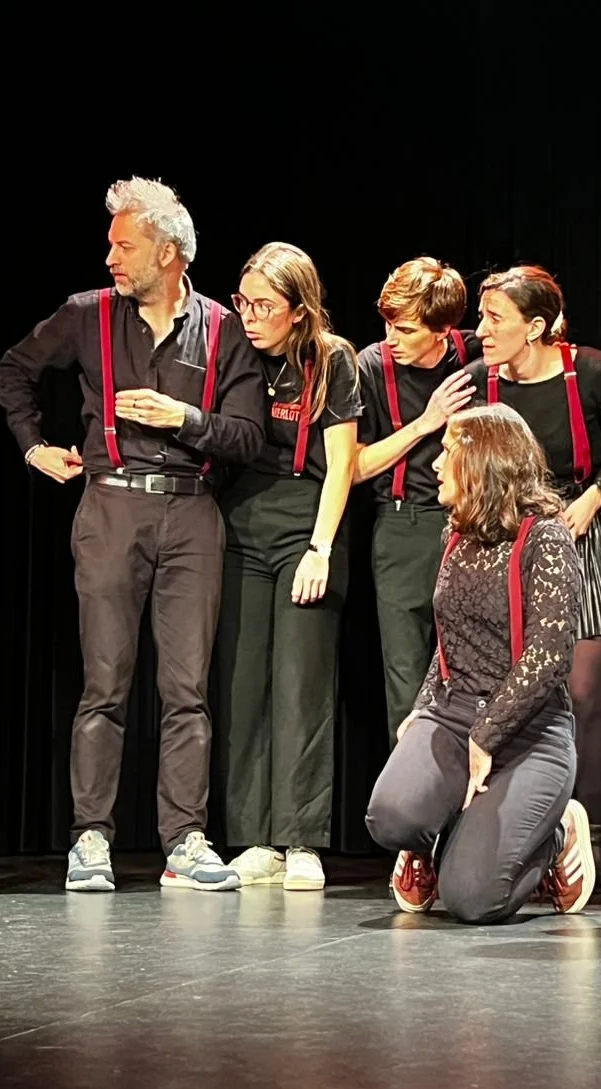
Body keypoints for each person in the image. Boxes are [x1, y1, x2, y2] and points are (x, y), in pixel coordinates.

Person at [0, 177, 266, 893]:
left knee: (187, 690)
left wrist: (183, 419)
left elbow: (247, 435)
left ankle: (186, 841)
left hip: (191, 511)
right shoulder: (86, 316)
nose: (111, 258)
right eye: (111, 245)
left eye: (125, 245)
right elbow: (15, 371)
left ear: (169, 251)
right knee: (105, 684)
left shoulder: (223, 331)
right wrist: (34, 447)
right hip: (111, 507)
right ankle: (91, 838)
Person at [365, 405, 595, 924]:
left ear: (484, 459)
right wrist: (423, 708)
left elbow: (549, 657)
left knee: (473, 899)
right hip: (453, 714)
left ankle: (554, 835)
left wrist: (486, 736)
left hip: (529, 729)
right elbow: (449, 639)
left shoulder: (545, 538)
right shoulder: (455, 535)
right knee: (390, 817)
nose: (436, 466)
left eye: (449, 453)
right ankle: (435, 835)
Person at [464, 266, 601, 889]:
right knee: (506, 692)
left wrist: (596, 497)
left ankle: (589, 838)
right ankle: (511, 839)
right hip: (503, 541)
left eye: (495, 319)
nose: (481, 330)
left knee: (583, 695)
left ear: (535, 327)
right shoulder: (480, 385)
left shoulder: (589, 370)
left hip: (578, 534)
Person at [213, 243, 362, 891]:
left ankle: (300, 839)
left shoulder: (333, 359)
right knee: (245, 687)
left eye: (265, 306)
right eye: (243, 302)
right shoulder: (236, 353)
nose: (250, 316)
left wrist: (321, 548)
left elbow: (343, 466)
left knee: (300, 686)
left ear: (299, 312)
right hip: (241, 525)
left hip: (308, 522)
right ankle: (253, 839)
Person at [352, 257, 480, 746]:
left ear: (443, 328)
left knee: (475, 669)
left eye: (404, 328)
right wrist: (426, 422)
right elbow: (357, 465)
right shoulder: (371, 365)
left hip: (472, 527)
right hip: (403, 530)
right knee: (405, 680)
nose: (391, 337)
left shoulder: (474, 355)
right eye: (387, 323)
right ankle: (410, 812)